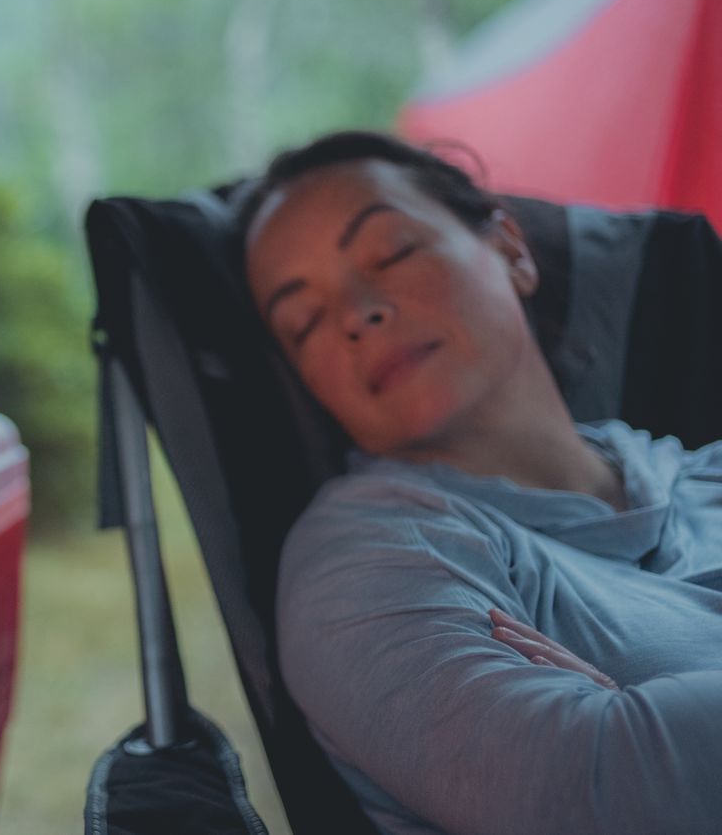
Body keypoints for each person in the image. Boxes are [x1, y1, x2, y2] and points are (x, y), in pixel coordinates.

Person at [240, 131, 722, 835]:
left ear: (511, 249)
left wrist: (658, 716)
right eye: (305, 320)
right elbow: (600, 791)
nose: (358, 315)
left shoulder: (703, 473)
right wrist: (636, 750)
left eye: (393, 251)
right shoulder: (366, 558)